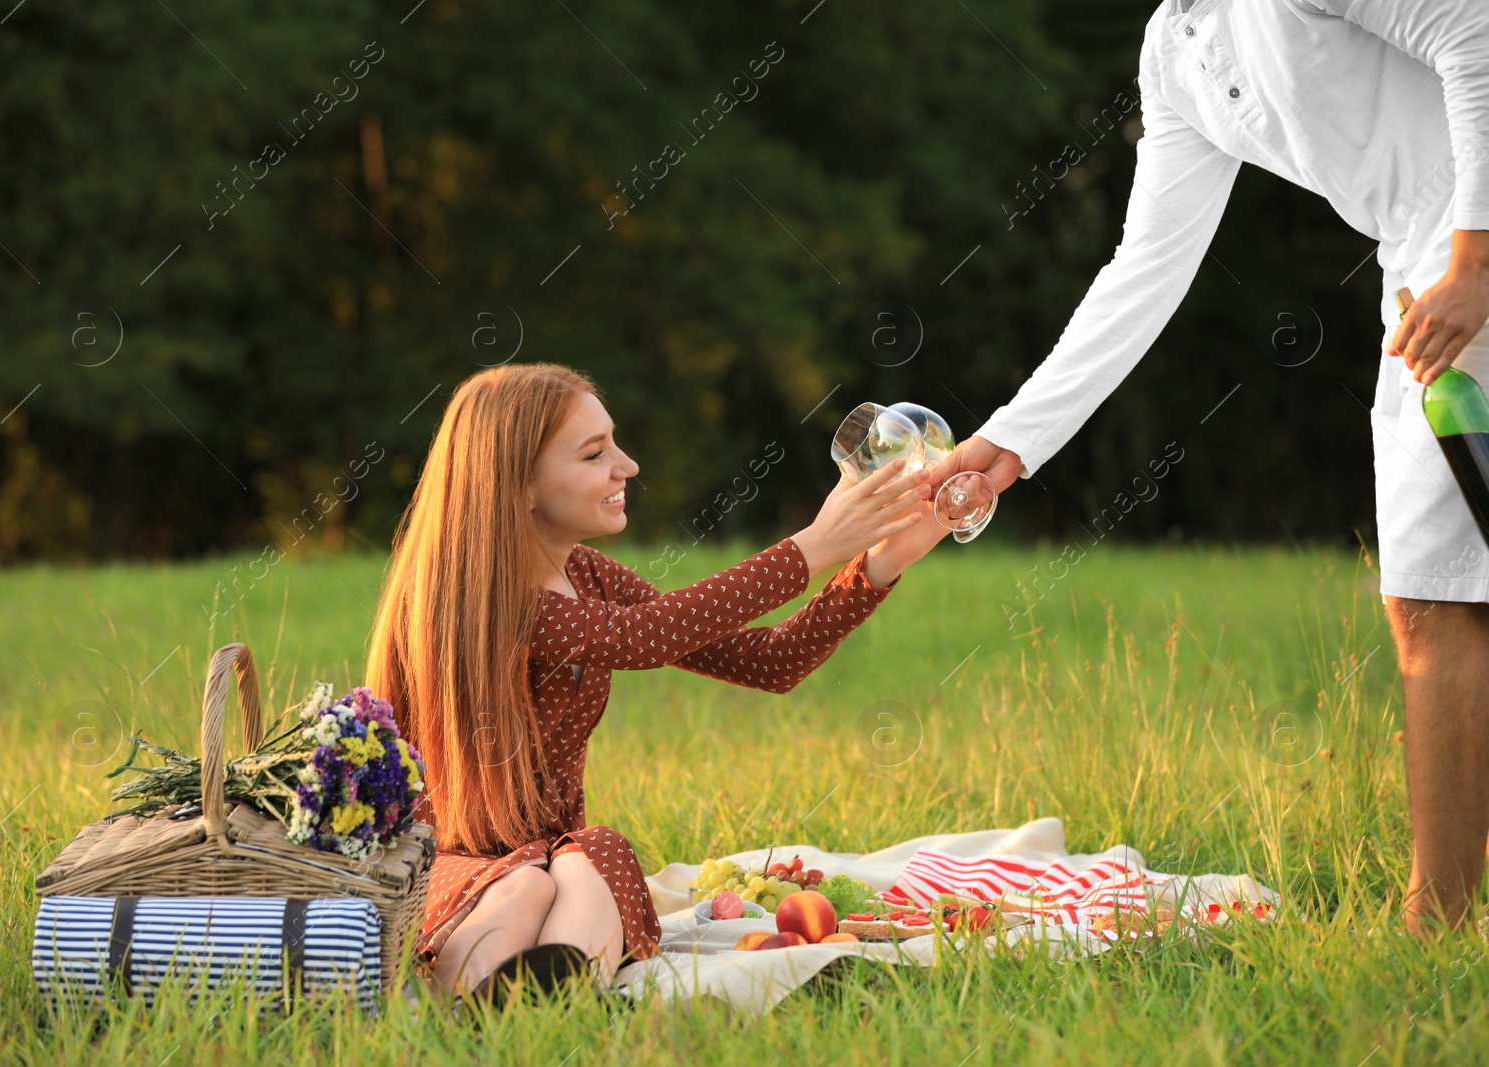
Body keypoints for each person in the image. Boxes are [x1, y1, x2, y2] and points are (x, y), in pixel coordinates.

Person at [925, 0, 1489, 935]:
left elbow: (1473, 31)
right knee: (1438, 596)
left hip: (1462, 244)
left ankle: (1439, 921)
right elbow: (1147, 265)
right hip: (1422, 263)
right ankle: (1449, 915)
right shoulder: (1170, 52)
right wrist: (1007, 446)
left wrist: (1474, 261)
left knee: (1433, 599)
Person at [364, 362, 950, 1003]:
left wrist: (880, 561)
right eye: (594, 454)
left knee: (593, 857)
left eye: (613, 442)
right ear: (519, 487)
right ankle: (474, 991)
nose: (627, 465)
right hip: (449, 871)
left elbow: (768, 662)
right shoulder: (490, 600)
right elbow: (637, 638)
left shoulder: (587, 575)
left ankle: (547, 1001)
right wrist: (811, 547)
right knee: (525, 885)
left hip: (552, 855)